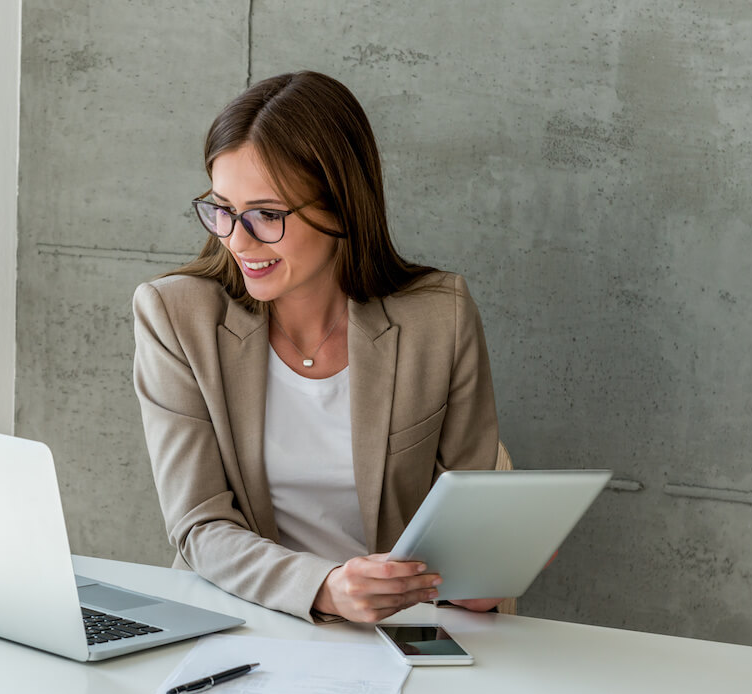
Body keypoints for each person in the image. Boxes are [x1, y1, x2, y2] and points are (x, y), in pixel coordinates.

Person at [132, 71, 503, 624]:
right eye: (222, 208)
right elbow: (198, 526)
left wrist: (481, 574)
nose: (236, 239)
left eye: (266, 215)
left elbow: (468, 522)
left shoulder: (439, 317)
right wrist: (324, 587)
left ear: (341, 208)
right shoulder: (176, 316)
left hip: (398, 631)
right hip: (244, 619)